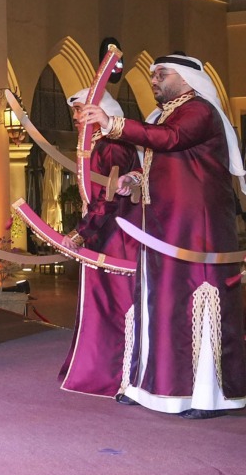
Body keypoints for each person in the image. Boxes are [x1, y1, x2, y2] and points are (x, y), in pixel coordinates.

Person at [79, 55, 246, 419]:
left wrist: (112, 123)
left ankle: (205, 396)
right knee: (160, 301)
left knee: (193, 303)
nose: (154, 79)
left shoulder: (199, 111)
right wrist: (136, 179)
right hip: (159, 225)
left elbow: (170, 141)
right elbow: (162, 157)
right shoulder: (163, 115)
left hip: (196, 228)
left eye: (161, 74)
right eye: (152, 74)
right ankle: (157, 388)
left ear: (186, 79)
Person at [58, 89, 140, 397]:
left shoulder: (111, 147)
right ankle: (101, 372)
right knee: (101, 306)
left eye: (83, 110)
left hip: (117, 239)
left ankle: (123, 377)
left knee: (117, 307)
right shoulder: (95, 147)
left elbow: (107, 200)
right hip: (102, 235)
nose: (78, 118)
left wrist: (80, 234)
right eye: (76, 112)